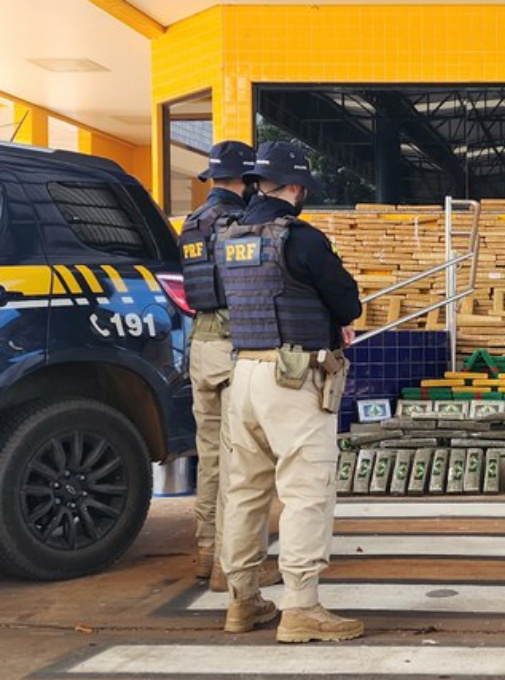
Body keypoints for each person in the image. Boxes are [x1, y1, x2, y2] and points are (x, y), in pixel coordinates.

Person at [217, 141, 364, 642]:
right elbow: (347, 302)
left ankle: (242, 602)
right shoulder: (300, 238)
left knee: (245, 492)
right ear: (297, 188)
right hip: (293, 380)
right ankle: (300, 607)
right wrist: (332, 320)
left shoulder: (229, 237)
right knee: (306, 491)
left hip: (244, 377)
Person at [181, 141, 281, 592]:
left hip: (199, 347)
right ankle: (233, 565)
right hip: (231, 346)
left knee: (210, 458)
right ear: (247, 180)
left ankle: (206, 552)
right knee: (240, 462)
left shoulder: (191, 223)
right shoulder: (234, 224)